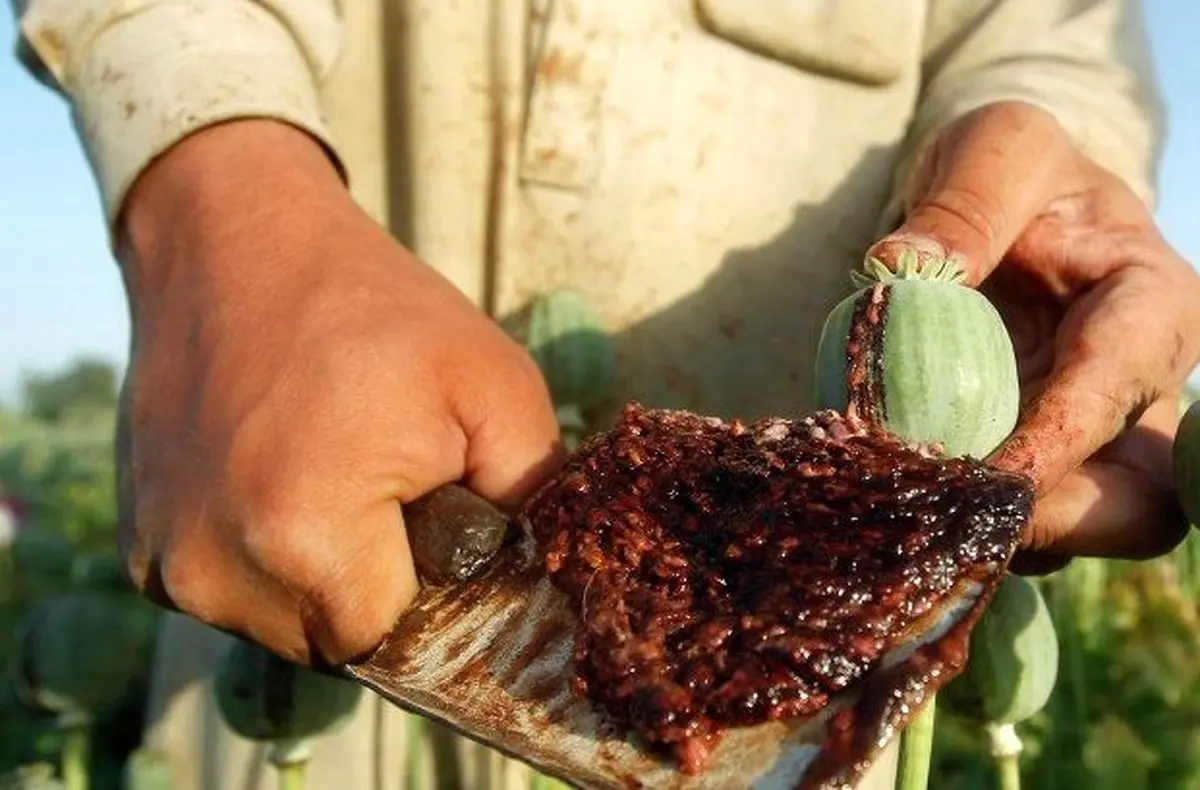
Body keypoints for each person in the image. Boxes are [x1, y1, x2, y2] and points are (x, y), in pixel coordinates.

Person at [9, 1, 1200, 788]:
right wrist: (217, 197)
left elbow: (1043, 35)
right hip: (304, 547)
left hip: (806, 669)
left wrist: (1053, 144)